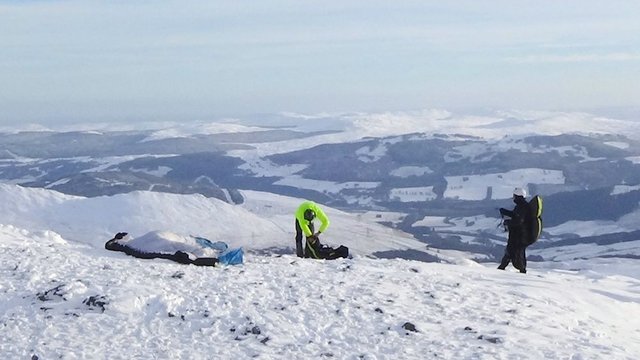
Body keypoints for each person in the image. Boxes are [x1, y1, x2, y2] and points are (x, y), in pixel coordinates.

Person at [498, 187, 532, 273]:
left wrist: (508, 222)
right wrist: (505, 212)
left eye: (514, 196)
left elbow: (518, 221)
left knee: (515, 251)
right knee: (513, 251)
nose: (513, 198)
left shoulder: (522, 207)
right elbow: (515, 216)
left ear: (517, 196)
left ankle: (520, 270)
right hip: (519, 234)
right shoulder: (522, 206)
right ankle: (503, 267)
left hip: (519, 235)